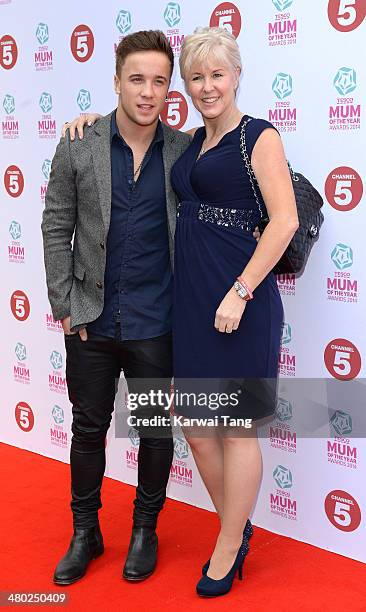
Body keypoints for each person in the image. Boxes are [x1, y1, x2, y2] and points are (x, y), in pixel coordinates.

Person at [63, 26, 297, 597]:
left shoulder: (257, 138)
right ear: (184, 87)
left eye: (217, 74)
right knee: (196, 429)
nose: (207, 85)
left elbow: (285, 221)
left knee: (237, 430)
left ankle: (226, 543)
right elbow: (129, 122)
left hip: (239, 301)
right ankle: (235, 526)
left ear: (236, 74)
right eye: (196, 77)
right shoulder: (190, 142)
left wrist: (239, 293)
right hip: (190, 306)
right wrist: (87, 124)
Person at [41, 30, 191, 585]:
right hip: (91, 321)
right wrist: (64, 303)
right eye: (137, 79)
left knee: (154, 431)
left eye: (159, 81)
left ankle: (145, 530)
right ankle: (86, 532)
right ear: (117, 81)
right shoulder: (79, 143)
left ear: (168, 89)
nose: (148, 92)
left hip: (157, 320)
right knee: (88, 429)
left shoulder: (184, 151)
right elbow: (56, 225)